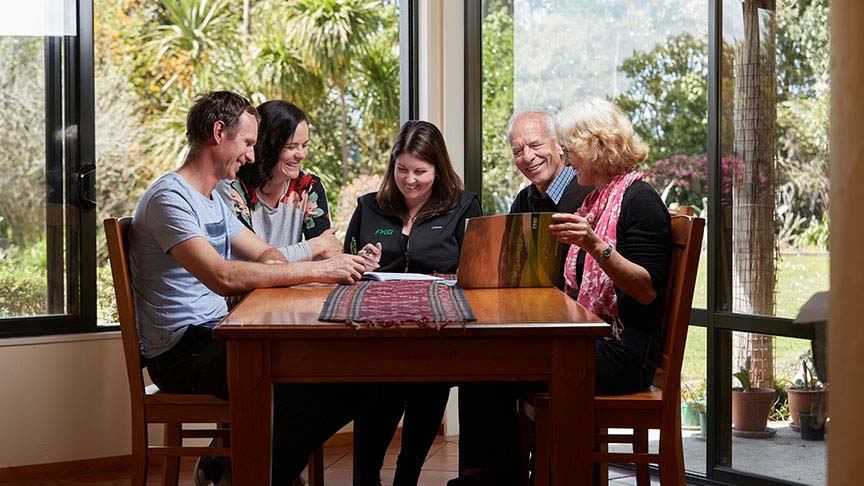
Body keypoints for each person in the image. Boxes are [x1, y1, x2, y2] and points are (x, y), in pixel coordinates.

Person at [129, 91, 371, 486]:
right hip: (180, 352)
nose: (253, 157)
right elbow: (222, 276)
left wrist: (285, 264)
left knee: (343, 376)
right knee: (313, 385)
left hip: (216, 335)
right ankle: (252, 474)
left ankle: (238, 471)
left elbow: (266, 255)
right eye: (247, 143)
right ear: (218, 133)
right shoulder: (169, 198)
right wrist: (323, 270)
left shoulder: (212, 201)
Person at [451, 98, 672, 486]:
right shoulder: (597, 199)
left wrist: (595, 245)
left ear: (595, 147)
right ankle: (492, 477)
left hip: (625, 354)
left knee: (492, 368)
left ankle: (500, 480)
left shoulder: (640, 200)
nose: (568, 161)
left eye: (570, 150)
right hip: (591, 340)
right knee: (483, 363)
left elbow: (647, 290)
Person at [344, 120, 482, 486]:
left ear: (438, 168)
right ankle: (367, 476)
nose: (410, 180)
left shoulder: (463, 206)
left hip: (436, 330)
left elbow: (476, 273)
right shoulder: (369, 207)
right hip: (377, 329)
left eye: (421, 171)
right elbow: (347, 264)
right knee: (379, 390)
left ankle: (407, 476)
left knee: (429, 385)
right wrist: (362, 264)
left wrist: (451, 277)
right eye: (402, 169)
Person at [216, 100, 350, 263]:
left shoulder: (309, 186)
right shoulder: (232, 186)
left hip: (289, 285)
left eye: (305, 145)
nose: (301, 155)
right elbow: (254, 262)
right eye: (291, 146)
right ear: (266, 147)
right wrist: (311, 247)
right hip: (246, 287)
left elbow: (326, 253)